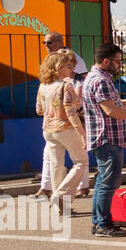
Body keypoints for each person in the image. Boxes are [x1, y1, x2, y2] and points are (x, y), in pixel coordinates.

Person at [83, 43, 126, 236]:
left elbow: (113, 104)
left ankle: (99, 222)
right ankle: (103, 224)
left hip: (105, 138)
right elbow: (111, 110)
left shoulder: (95, 78)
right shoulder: (101, 81)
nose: (120, 65)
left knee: (103, 182)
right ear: (106, 61)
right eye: (117, 61)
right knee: (108, 183)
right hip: (108, 138)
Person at [35, 50, 88, 213]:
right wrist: (82, 134)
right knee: (81, 162)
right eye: (69, 66)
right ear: (59, 68)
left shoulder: (43, 86)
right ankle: (60, 195)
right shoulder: (66, 86)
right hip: (66, 128)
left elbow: (38, 110)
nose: (72, 70)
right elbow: (71, 112)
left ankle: (62, 205)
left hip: (48, 129)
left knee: (57, 165)